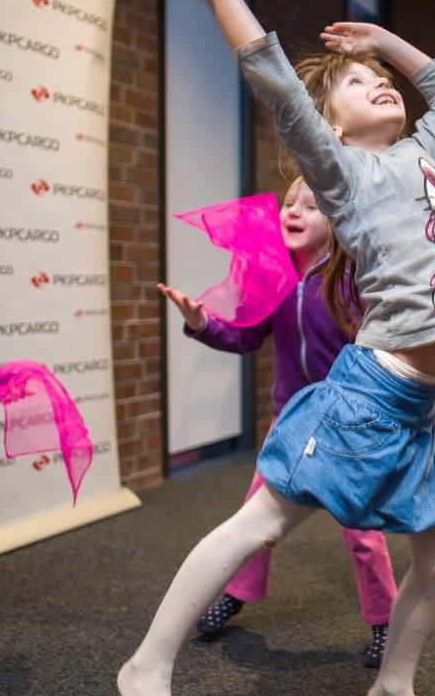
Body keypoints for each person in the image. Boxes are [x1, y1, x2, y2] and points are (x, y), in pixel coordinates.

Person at [119, 0, 435, 696]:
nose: (382, 86)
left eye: (383, 81)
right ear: (330, 124)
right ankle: (147, 664)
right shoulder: (344, 174)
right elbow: (271, 75)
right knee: (260, 523)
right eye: (361, 85)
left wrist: (382, 42)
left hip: (419, 407)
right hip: (370, 393)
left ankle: (392, 685)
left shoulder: (422, 158)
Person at [159, 176, 397, 665]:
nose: (294, 211)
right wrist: (202, 324)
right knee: (255, 520)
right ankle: (238, 592)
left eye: (311, 206)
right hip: (290, 419)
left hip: (345, 423)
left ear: (335, 220)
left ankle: (385, 621)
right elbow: (245, 339)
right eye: (289, 203)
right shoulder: (273, 275)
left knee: (362, 533)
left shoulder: (349, 277)